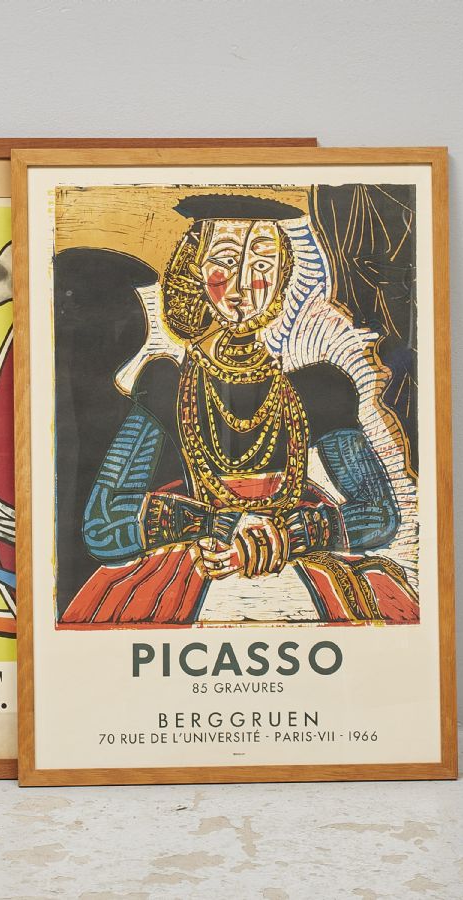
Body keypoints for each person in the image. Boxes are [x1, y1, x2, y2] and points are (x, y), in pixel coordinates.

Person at [60, 194, 418, 627]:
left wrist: (285, 536)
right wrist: (218, 524)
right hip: (192, 566)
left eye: (262, 265)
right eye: (226, 261)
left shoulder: (320, 389)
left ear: (282, 279)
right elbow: (102, 524)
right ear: (194, 271)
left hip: (299, 561)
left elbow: (380, 514)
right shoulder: (167, 386)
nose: (243, 286)